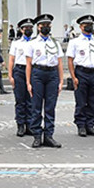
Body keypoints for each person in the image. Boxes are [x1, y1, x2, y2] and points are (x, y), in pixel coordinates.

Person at [25, 14, 64, 149]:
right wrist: (28, 82)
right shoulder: (32, 43)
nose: (46, 27)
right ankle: (37, 135)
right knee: (36, 106)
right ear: (38, 27)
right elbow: (28, 64)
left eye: (48, 25)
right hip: (38, 74)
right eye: (43, 25)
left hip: (52, 74)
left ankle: (49, 135)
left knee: (50, 106)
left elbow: (59, 63)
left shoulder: (55, 43)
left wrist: (61, 80)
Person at [66, 14, 94, 138]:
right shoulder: (75, 42)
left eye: (91, 25)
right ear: (81, 27)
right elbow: (70, 60)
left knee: (93, 101)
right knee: (81, 101)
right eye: (86, 25)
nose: (89, 27)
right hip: (82, 72)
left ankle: (90, 125)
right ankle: (81, 125)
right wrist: (73, 76)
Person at [8, 18, 34, 137]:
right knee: (20, 100)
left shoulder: (35, 42)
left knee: (30, 100)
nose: (28, 30)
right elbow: (11, 59)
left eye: (30, 28)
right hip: (19, 70)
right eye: (26, 28)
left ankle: (29, 124)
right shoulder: (17, 43)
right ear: (21, 30)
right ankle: (20, 125)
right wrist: (10, 75)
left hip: (32, 71)